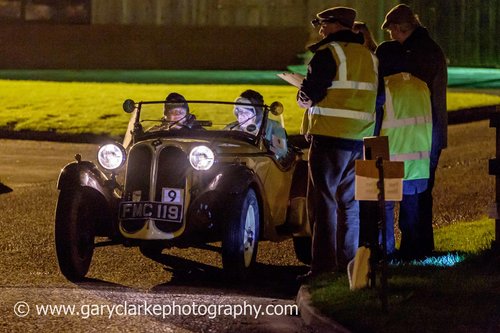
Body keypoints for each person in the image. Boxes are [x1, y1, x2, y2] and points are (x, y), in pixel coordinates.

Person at [296, 7, 378, 280]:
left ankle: (322, 268)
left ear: (334, 25)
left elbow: (310, 93)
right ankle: (349, 266)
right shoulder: (370, 57)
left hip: (330, 139)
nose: (320, 29)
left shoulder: (328, 54)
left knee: (324, 204)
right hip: (360, 140)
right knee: (349, 205)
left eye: (322, 24)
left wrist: (301, 97)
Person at [376, 4, 447, 259]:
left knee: (405, 196)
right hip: (428, 133)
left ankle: (410, 250)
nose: (391, 37)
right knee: (421, 194)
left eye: (392, 31)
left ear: (398, 28)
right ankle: (421, 248)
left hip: (411, 136)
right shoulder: (431, 50)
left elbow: (392, 86)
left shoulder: (410, 54)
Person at [227, 89, 288, 159]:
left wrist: (265, 147)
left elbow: (280, 152)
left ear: (257, 112)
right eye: (238, 111)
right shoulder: (232, 127)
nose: (241, 116)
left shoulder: (274, 127)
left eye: (245, 112)